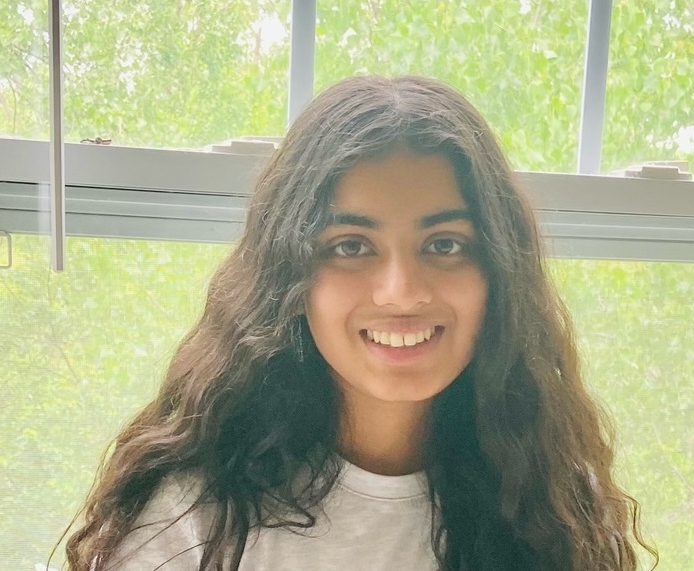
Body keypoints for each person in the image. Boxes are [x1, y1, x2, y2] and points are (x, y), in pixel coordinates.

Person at [63, 76, 657, 570]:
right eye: (351, 246)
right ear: (288, 276)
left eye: (445, 244)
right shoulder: (192, 519)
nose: (402, 291)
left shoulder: (555, 507)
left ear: (500, 273)